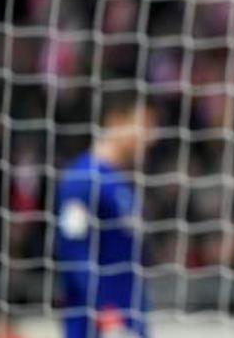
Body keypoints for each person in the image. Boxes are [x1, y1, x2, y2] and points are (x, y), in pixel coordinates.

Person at [55, 89, 157, 338]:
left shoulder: (119, 182)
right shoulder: (83, 177)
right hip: (99, 327)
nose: (151, 137)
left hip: (129, 321)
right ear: (115, 121)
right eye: (144, 125)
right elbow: (73, 252)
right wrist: (108, 317)